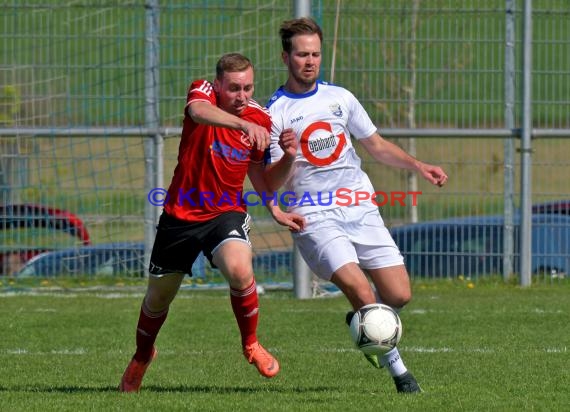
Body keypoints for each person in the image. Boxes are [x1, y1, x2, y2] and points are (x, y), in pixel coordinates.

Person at [264, 18, 449, 394]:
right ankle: (401, 375)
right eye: (302, 54)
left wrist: (419, 165)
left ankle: (362, 321)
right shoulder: (275, 113)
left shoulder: (341, 98)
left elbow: (376, 145)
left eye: (315, 53)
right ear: (286, 57)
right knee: (362, 290)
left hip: (359, 206)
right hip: (313, 215)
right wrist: (287, 154)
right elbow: (269, 180)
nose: (310, 61)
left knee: (398, 296)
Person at [119, 52, 305, 392]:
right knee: (158, 299)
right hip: (180, 214)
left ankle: (250, 343)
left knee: (240, 269)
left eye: (248, 88)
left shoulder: (261, 118)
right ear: (218, 84)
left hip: (225, 213)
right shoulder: (201, 91)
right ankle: (142, 356)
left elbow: (259, 173)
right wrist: (241, 123)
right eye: (234, 88)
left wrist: (286, 169)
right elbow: (198, 112)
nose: (242, 96)